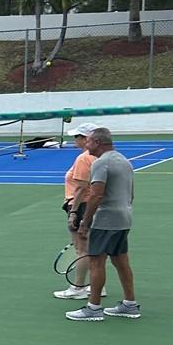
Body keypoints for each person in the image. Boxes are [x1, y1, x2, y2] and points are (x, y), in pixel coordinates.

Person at [65, 127, 139, 321]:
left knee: (96, 261)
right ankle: (130, 304)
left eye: (89, 140)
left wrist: (85, 222)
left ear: (97, 142)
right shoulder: (124, 160)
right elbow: (131, 193)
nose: (86, 144)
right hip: (124, 217)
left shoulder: (101, 163)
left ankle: (93, 308)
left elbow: (96, 195)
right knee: (121, 261)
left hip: (106, 220)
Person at [54, 123, 98, 301]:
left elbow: (80, 188)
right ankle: (97, 286)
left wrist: (73, 212)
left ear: (86, 139)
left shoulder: (83, 159)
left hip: (80, 205)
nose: (75, 140)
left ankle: (78, 287)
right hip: (93, 205)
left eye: (77, 136)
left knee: (81, 249)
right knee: (93, 249)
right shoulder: (99, 156)